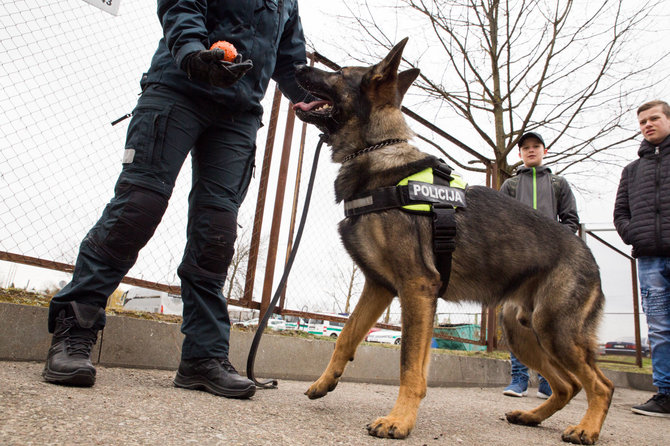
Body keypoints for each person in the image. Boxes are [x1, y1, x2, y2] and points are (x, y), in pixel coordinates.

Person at [42, 0, 314, 400]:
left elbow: (289, 61)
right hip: (178, 89)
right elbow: (181, 7)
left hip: (238, 114)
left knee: (217, 235)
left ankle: (203, 358)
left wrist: (314, 97)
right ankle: (74, 332)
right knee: (138, 208)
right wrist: (191, 53)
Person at [499, 131, 580, 399]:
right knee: (515, 318)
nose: (531, 150)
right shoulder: (510, 186)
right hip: (517, 264)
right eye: (525, 148)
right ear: (520, 154)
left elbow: (570, 220)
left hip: (549, 264)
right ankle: (518, 380)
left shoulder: (559, 184)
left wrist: (558, 247)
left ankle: (548, 382)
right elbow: (499, 221)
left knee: (546, 320)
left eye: (536, 146)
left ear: (544, 151)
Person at [614, 100, 670, 417]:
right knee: (660, 329)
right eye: (642, 122)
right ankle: (665, 394)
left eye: (654, 118)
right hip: (649, 259)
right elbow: (621, 212)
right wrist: (634, 234)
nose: (648, 125)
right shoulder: (632, 171)